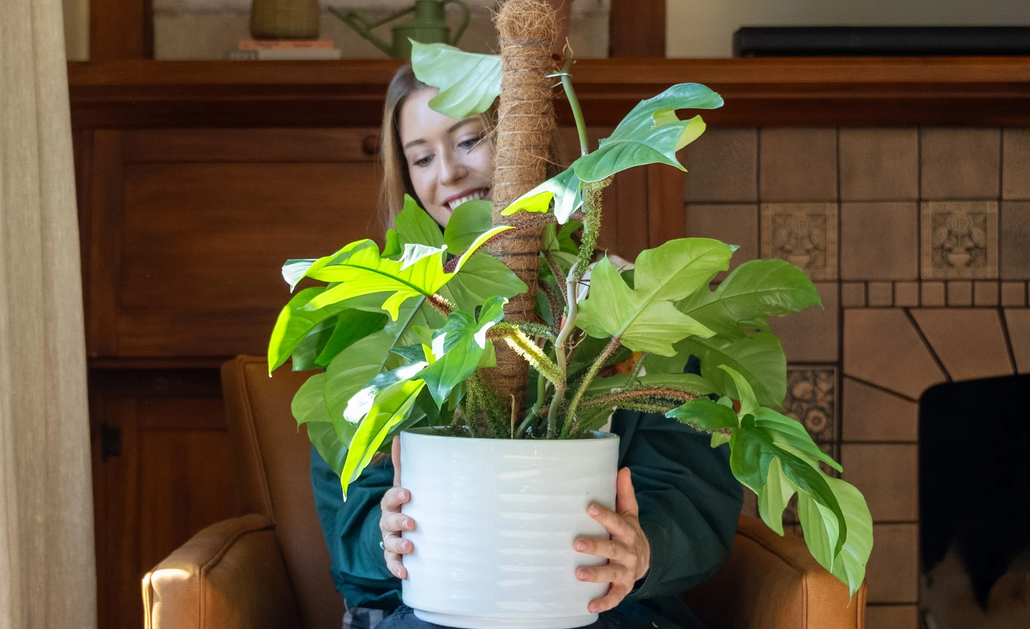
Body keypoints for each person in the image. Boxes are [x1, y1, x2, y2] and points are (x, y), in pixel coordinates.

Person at [309, 65, 745, 629]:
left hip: (604, 612)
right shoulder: (391, 319)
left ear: (528, 142)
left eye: (469, 140)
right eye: (421, 157)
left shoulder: (629, 306)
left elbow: (690, 487)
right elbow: (350, 506)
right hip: (432, 613)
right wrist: (383, 534)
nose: (449, 172)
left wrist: (644, 546)